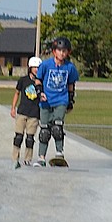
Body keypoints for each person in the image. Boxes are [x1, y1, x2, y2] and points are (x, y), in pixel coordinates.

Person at [34, 36, 79, 167]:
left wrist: (70, 100)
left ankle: (59, 153)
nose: (62, 53)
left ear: (68, 52)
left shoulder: (70, 67)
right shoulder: (45, 65)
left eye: (64, 51)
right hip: (45, 101)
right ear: (54, 51)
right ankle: (41, 157)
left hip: (61, 100)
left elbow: (71, 83)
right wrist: (39, 93)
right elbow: (38, 80)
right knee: (44, 130)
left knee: (57, 127)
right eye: (59, 50)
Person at [10, 56, 43, 168]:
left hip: (34, 114)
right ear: (30, 68)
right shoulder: (23, 80)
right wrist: (13, 107)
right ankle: (15, 158)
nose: (36, 70)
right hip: (22, 112)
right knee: (18, 136)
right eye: (34, 68)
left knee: (30, 138)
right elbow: (17, 93)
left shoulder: (41, 82)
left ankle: (27, 159)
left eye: (38, 68)